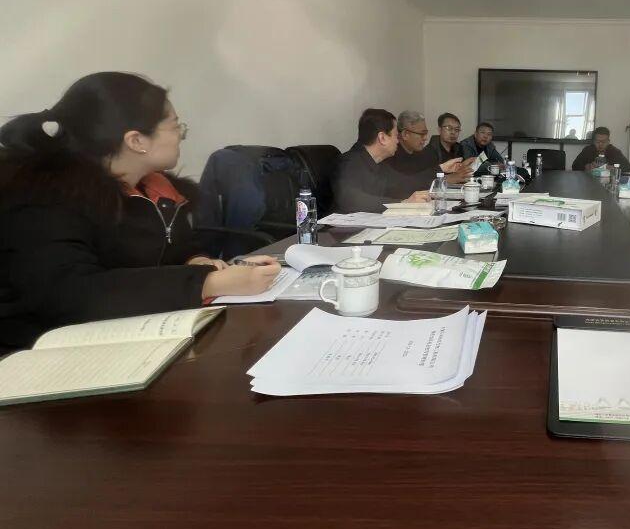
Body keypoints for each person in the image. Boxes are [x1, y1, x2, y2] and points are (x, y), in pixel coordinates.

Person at [0, 72, 281, 350]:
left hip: (135, 334)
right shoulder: (44, 199)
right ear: (136, 141)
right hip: (43, 352)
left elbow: (172, 246)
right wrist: (206, 282)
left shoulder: (153, 189)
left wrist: (195, 260)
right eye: (175, 126)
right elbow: (69, 294)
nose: (181, 135)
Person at [333, 108, 434, 213]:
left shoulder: (380, 163)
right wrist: (403, 204)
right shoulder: (348, 163)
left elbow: (404, 183)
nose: (397, 141)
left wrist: (435, 185)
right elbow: (352, 201)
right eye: (396, 136)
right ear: (382, 138)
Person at [385, 110, 469, 190]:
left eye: (426, 133)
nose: (425, 138)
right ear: (405, 134)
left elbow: (425, 179)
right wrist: (445, 177)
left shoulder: (421, 154)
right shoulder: (391, 155)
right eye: (422, 134)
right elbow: (403, 185)